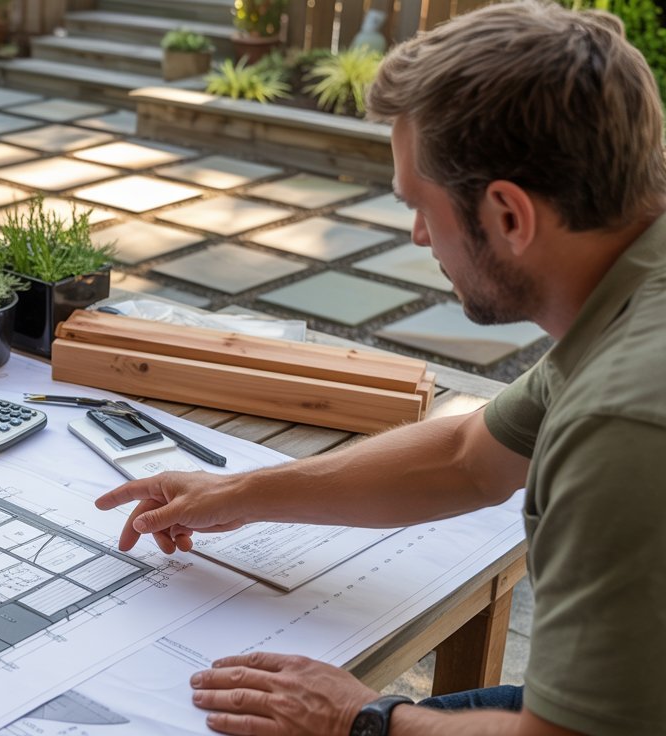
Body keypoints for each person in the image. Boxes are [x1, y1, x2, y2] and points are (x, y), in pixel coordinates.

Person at [95, 1, 666, 734]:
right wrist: (238, 491)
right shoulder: (632, 290)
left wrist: (358, 719)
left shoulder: (626, 423)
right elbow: (468, 457)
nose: (419, 233)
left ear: (510, 217)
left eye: (421, 205)